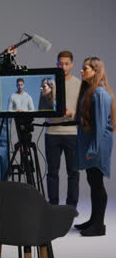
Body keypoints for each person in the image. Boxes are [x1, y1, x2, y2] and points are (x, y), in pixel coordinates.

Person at [74, 57, 116, 236]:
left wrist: (93, 149)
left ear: (95, 70)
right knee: (93, 181)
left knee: (97, 183)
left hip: (98, 144)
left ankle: (99, 226)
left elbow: (99, 127)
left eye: (86, 69)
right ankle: (94, 220)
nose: (81, 71)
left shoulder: (100, 93)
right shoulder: (89, 91)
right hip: (93, 143)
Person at [45, 51, 81, 211]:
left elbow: (82, 109)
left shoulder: (78, 84)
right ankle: (53, 206)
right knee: (52, 172)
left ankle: (71, 207)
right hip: (52, 132)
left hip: (72, 133)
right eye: (60, 63)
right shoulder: (50, 83)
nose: (63, 66)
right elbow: (44, 108)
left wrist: (71, 113)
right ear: (57, 63)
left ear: (72, 64)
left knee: (73, 172)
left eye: (66, 63)